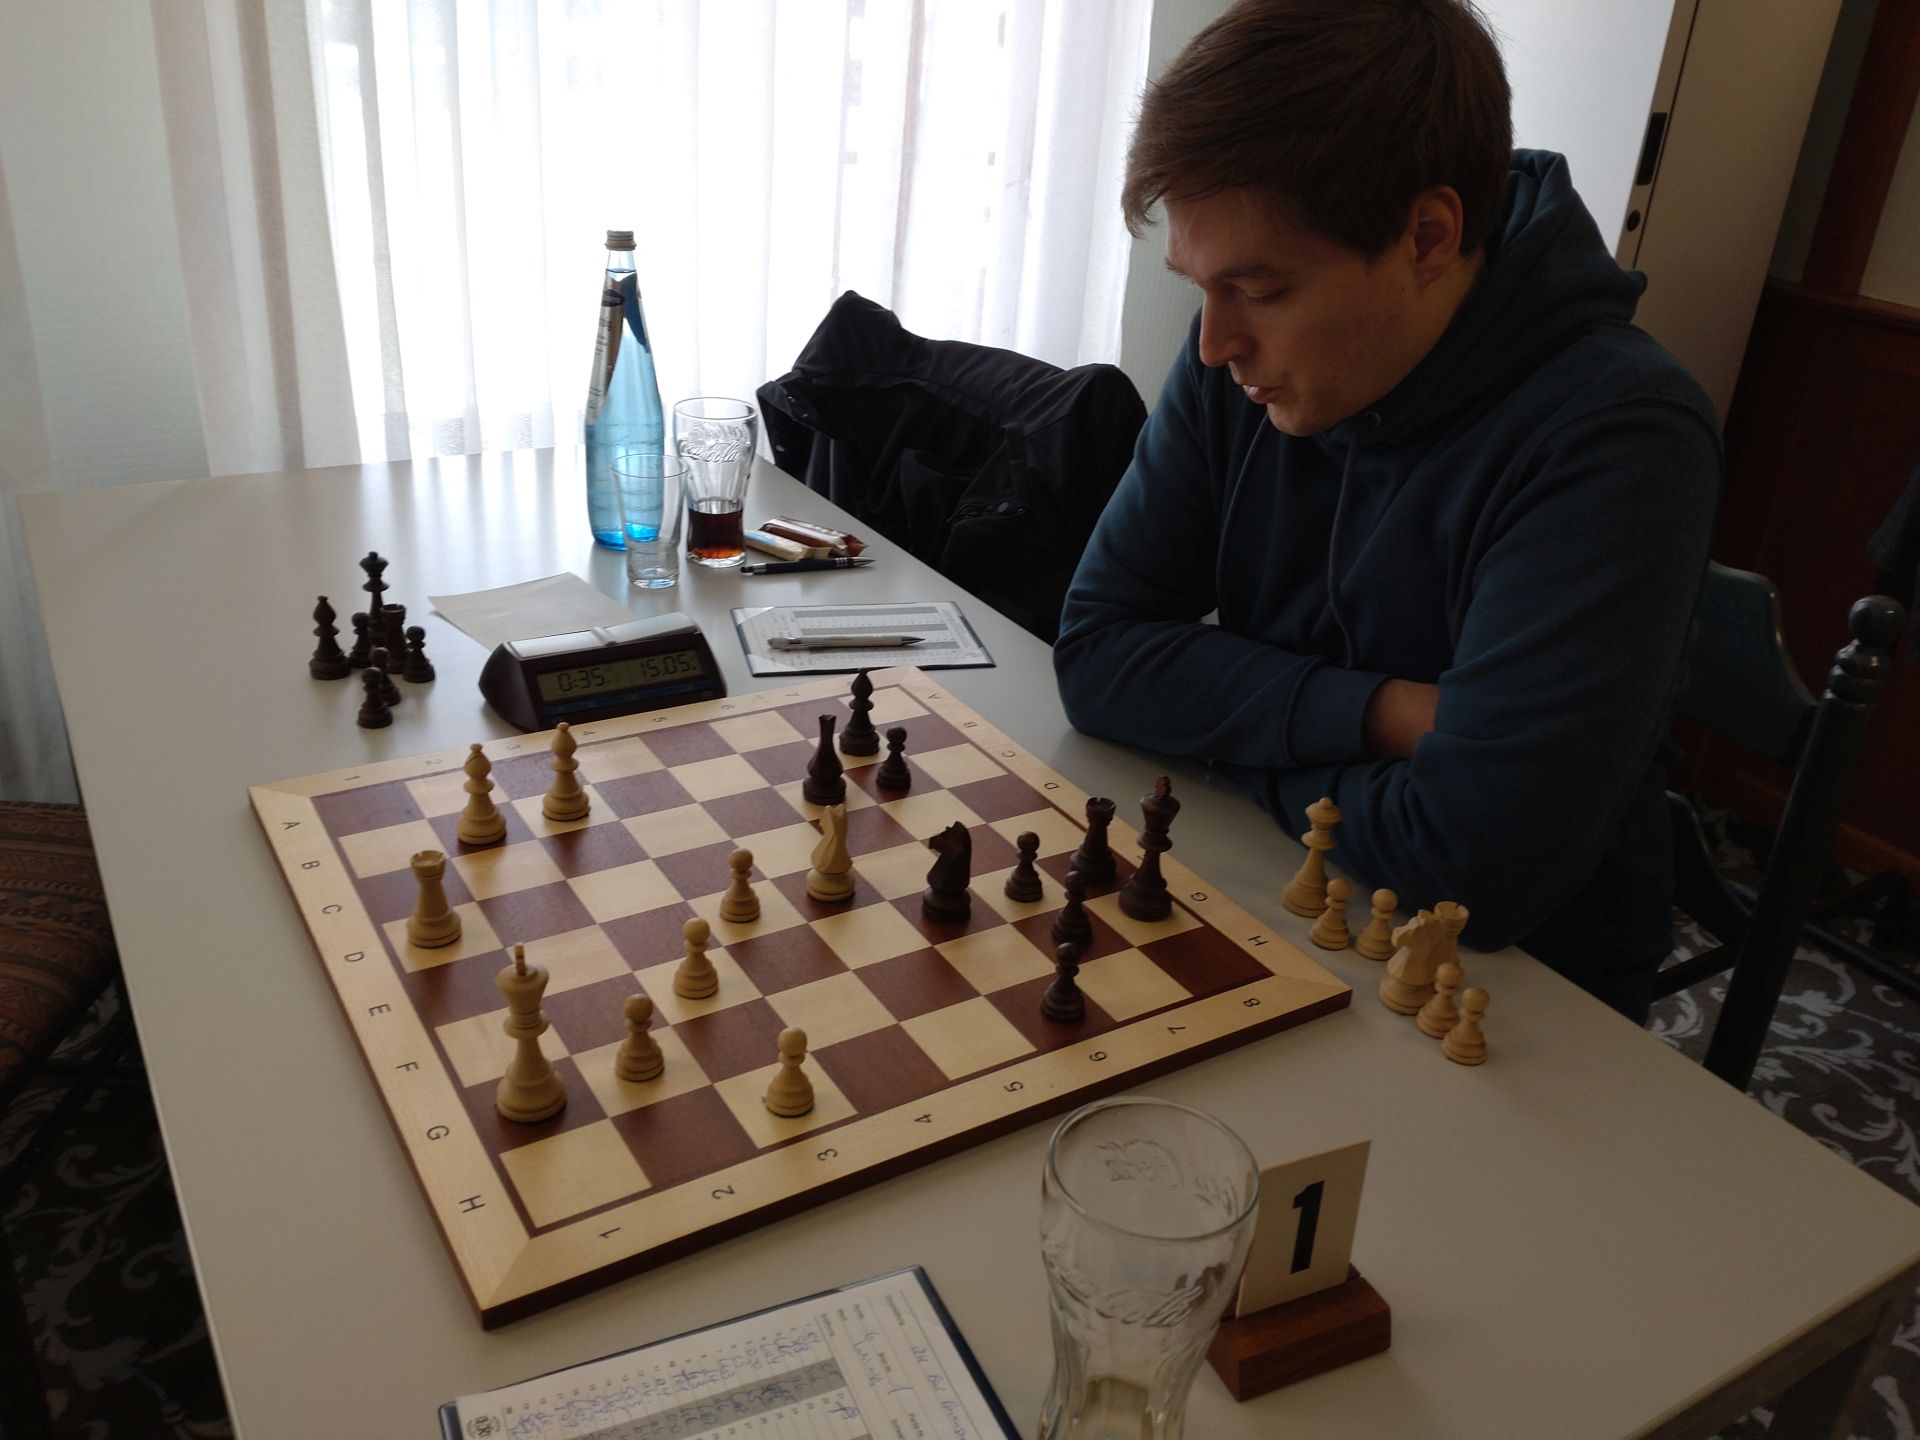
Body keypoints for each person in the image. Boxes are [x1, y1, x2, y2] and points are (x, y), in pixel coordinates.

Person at [1053, 0, 1721, 1021]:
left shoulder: (1621, 436)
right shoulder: (1240, 362)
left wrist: (1216, 733)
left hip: (1507, 994)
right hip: (1270, 881)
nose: (1213, 344)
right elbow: (1097, 655)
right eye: (1199, 287)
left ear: (1427, 237)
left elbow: (1475, 862)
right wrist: (1387, 714)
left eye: (1262, 290)